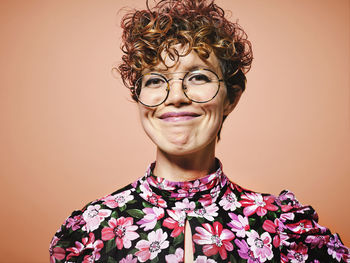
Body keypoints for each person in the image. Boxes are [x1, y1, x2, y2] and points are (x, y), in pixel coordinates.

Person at [49, 0, 350, 262]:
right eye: (155, 80)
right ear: (139, 99)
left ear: (231, 98)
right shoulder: (89, 233)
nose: (176, 96)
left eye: (198, 77)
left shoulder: (283, 229)